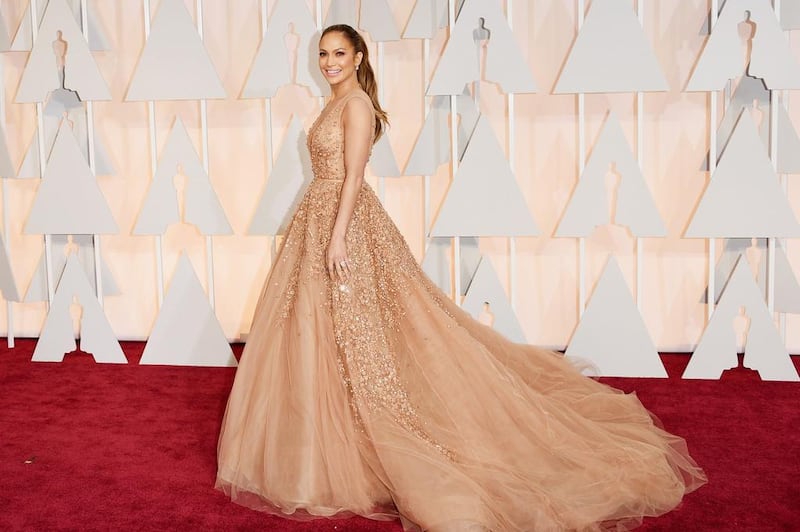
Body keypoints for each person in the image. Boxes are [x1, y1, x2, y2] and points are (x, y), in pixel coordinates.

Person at [216, 24, 706, 531]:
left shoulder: (356, 105)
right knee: (330, 331)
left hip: (343, 223)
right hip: (318, 215)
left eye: (339, 53)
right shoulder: (335, 100)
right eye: (323, 54)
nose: (329, 62)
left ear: (359, 56)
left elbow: (356, 175)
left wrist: (337, 237)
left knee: (362, 334)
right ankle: (325, 432)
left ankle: (372, 432)